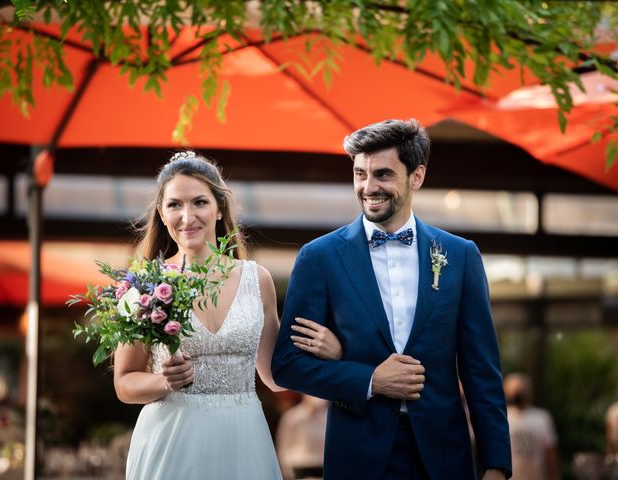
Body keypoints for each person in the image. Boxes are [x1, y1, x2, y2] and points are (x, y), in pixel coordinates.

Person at [272, 119, 512, 480]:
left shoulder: (460, 256)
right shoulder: (318, 257)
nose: (369, 187)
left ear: (416, 176)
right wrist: (370, 379)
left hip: (444, 457)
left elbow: (482, 372)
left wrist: (496, 465)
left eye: (382, 174)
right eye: (360, 174)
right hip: (357, 455)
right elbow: (288, 365)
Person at [113, 152, 342, 480]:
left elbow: (276, 376)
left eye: (199, 202)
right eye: (175, 204)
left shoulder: (256, 280)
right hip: (171, 439)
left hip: (243, 438)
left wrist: (332, 355)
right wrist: (163, 381)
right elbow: (124, 382)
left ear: (219, 208)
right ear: (161, 214)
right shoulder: (146, 285)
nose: (187, 216)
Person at [503, 373, 559, 480]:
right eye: (514, 388)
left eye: (521, 388)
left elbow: (551, 452)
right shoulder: (503, 417)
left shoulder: (542, 417)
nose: (518, 392)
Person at [275, 394, 329, 479]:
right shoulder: (292, 416)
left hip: (323, 465)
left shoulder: (329, 418)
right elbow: (283, 444)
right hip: (300, 465)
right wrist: (284, 469)